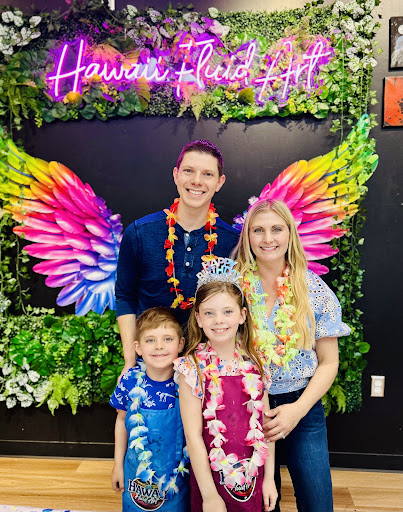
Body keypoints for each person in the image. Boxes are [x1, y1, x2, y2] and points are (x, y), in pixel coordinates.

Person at [233, 199, 351, 512]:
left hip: (301, 403)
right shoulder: (232, 288)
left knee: (317, 503)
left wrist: (297, 410)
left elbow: (329, 362)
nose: (267, 238)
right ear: (247, 237)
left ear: (290, 234)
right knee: (258, 503)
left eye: (276, 229)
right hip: (244, 405)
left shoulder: (314, 290)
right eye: (258, 230)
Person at [115, 140, 240, 377]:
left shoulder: (233, 242)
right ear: (176, 175)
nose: (197, 181)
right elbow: (125, 296)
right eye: (189, 171)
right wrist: (131, 360)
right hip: (152, 365)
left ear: (219, 182)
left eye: (207, 174)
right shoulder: (139, 233)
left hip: (209, 368)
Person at [175, 258, 278, 512]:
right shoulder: (192, 369)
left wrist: (269, 479)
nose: (218, 320)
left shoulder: (256, 363)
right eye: (209, 313)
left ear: (242, 315)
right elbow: (193, 437)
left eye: (227, 312)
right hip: (211, 481)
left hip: (252, 478)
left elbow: (266, 427)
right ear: (198, 318)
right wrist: (209, 496)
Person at [110, 307, 189, 512]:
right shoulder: (129, 381)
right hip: (136, 475)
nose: (159, 346)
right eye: (150, 340)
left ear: (180, 344)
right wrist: (117, 465)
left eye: (167, 339)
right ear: (137, 347)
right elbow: (121, 421)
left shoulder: (187, 382)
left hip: (177, 479)